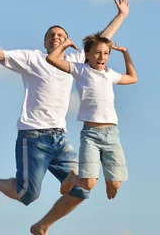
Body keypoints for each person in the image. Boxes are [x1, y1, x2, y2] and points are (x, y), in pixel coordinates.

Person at [0, 0, 130, 235]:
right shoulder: (32, 58)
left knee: (82, 189)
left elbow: (99, 42)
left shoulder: (73, 62)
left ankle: (42, 226)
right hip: (33, 136)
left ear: (69, 42)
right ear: (44, 42)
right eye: (52, 35)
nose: (56, 38)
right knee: (28, 195)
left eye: (61, 35)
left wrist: (121, 16)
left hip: (60, 137)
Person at [46, 32, 137, 201]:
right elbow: (51, 59)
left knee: (116, 184)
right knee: (88, 184)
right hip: (90, 135)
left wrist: (125, 52)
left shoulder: (110, 74)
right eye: (97, 52)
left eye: (106, 53)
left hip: (112, 134)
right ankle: (73, 177)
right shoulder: (80, 70)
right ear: (87, 54)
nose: (102, 57)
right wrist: (64, 45)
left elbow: (133, 78)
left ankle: (110, 181)